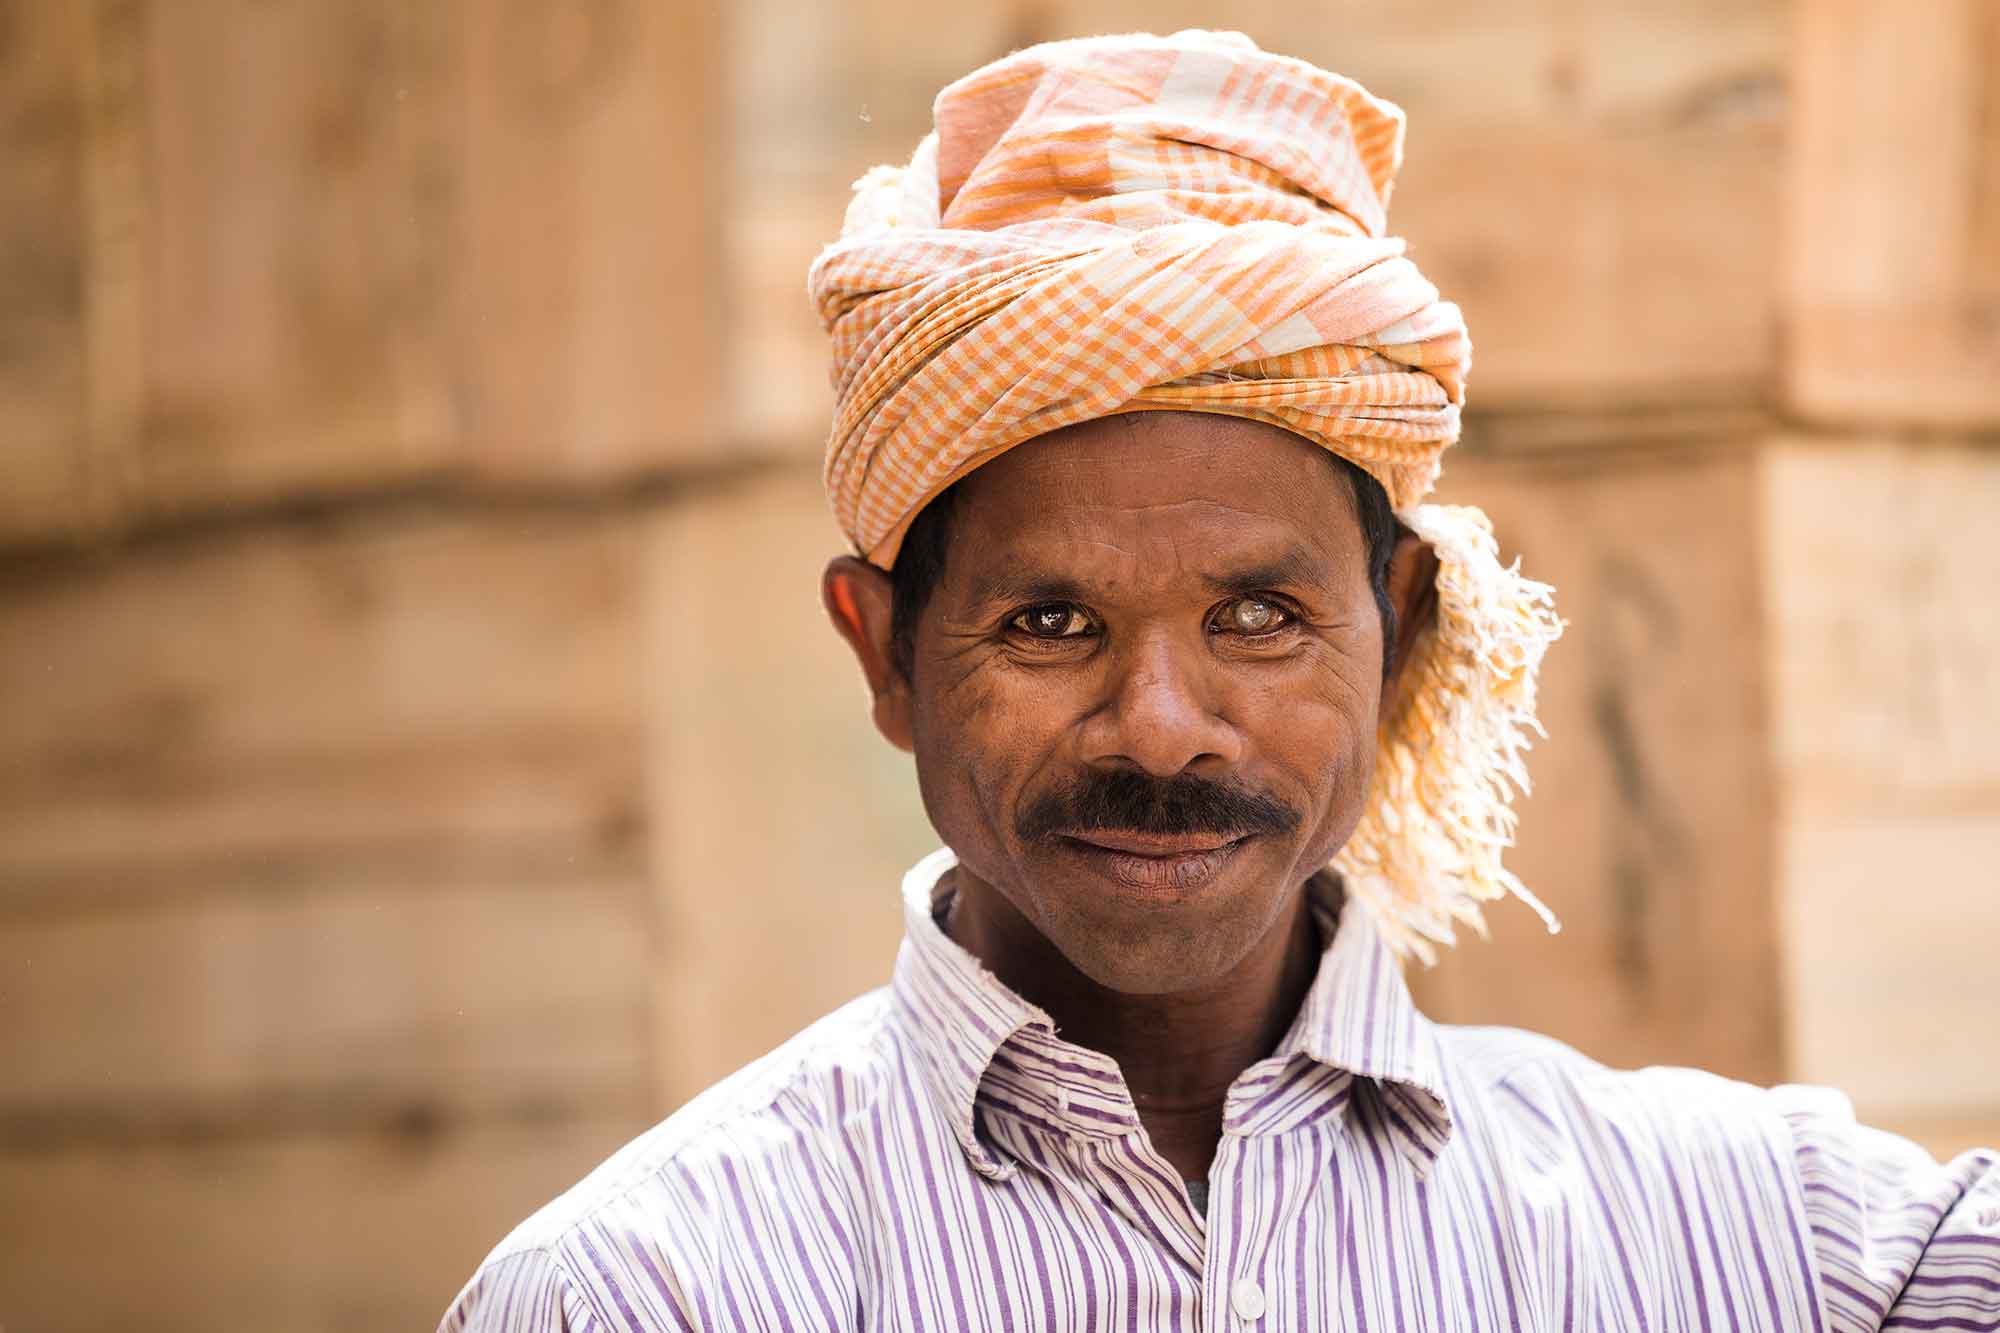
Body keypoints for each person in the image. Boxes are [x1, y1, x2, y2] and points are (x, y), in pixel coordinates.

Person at [443, 31, 1996, 1331]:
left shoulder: (1762, 1244)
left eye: (1258, 614)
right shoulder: (649, 1293)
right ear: (886, 654)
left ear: (1400, 630)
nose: (1163, 726)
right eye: (1051, 626)